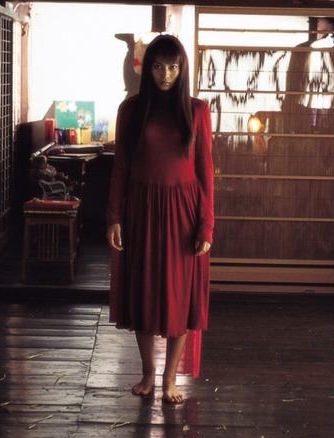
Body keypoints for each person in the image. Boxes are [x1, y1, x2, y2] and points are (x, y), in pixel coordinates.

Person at [106, 34, 214, 405]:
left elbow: (205, 173)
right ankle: (149, 372)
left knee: (179, 296)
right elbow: (120, 167)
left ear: (182, 68)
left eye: (173, 66)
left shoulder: (197, 110)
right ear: (145, 68)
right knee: (143, 291)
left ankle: (170, 378)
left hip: (184, 212)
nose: (165, 74)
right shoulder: (130, 110)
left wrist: (206, 225)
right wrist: (115, 216)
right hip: (141, 208)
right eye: (157, 66)